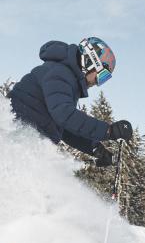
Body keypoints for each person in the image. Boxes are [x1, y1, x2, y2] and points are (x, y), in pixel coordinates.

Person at [8, 37, 133, 167]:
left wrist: (95, 148)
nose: (97, 83)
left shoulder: (67, 79)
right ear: (90, 62)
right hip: (16, 136)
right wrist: (108, 131)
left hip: (24, 139)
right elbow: (64, 115)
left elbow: (65, 126)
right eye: (101, 76)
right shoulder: (60, 73)